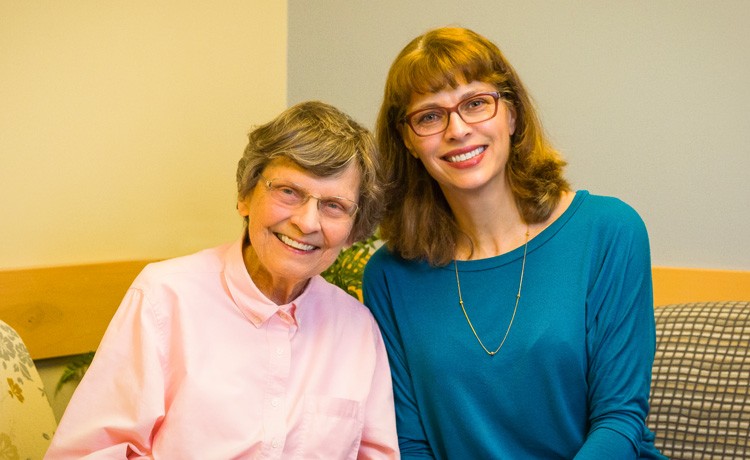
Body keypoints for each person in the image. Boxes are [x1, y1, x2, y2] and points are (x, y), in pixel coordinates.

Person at [362, 27, 666, 459]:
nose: (458, 129)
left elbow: (619, 420)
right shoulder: (390, 276)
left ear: (512, 114)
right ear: (408, 140)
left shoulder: (609, 231)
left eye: (475, 104)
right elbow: (411, 444)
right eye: (429, 116)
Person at [46, 101, 399, 459]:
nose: (308, 223)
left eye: (334, 205)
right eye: (289, 192)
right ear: (245, 196)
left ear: (354, 229)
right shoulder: (164, 299)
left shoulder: (357, 329)